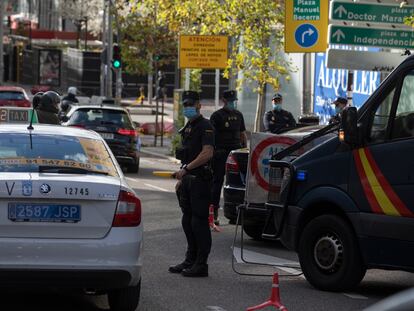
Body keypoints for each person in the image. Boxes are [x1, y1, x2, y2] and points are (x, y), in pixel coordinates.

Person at [169, 91, 214, 277]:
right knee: (187, 221)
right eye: (185, 104)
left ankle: (201, 264)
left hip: (200, 181)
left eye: (191, 104)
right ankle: (190, 260)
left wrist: (186, 170)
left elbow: (207, 153)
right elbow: (186, 154)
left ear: (199, 105)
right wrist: (182, 177)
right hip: (188, 180)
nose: (187, 107)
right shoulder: (188, 127)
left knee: (199, 223)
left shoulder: (206, 126)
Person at [209, 90, 247, 225]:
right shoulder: (216, 116)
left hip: (236, 153)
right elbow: (211, 136)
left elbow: (242, 134)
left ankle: (238, 212)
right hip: (221, 153)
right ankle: (213, 214)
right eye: (230, 101)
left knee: (239, 183)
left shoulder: (238, 115)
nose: (232, 103)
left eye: (233, 101)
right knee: (217, 183)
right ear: (223, 101)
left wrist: (245, 149)